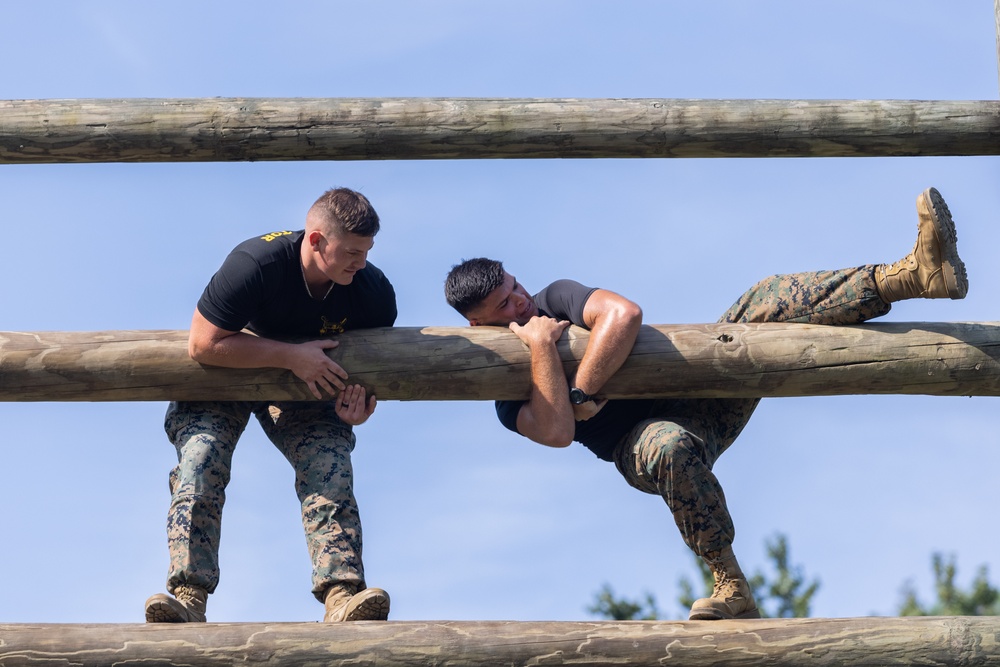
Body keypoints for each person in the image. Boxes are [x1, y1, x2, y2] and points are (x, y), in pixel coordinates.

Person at [443, 187, 968, 621]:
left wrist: (581, 389)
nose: (522, 302)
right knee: (668, 445)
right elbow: (557, 432)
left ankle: (911, 276)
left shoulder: (554, 297)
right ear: (478, 323)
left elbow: (623, 314)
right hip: (636, 444)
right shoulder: (505, 393)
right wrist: (538, 347)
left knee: (763, 296)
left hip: (703, 395)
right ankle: (731, 584)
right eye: (506, 305)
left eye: (515, 286)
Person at [145, 187, 397, 624]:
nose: (361, 262)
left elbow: (367, 367)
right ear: (316, 240)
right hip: (225, 374)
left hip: (303, 387)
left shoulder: (371, 291)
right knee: (201, 460)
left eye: (367, 251)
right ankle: (188, 594)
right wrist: (289, 355)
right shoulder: (256, 264)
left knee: (328, 461)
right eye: (352, 252)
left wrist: (354, 406)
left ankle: (342, 595)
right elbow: (203, 344)